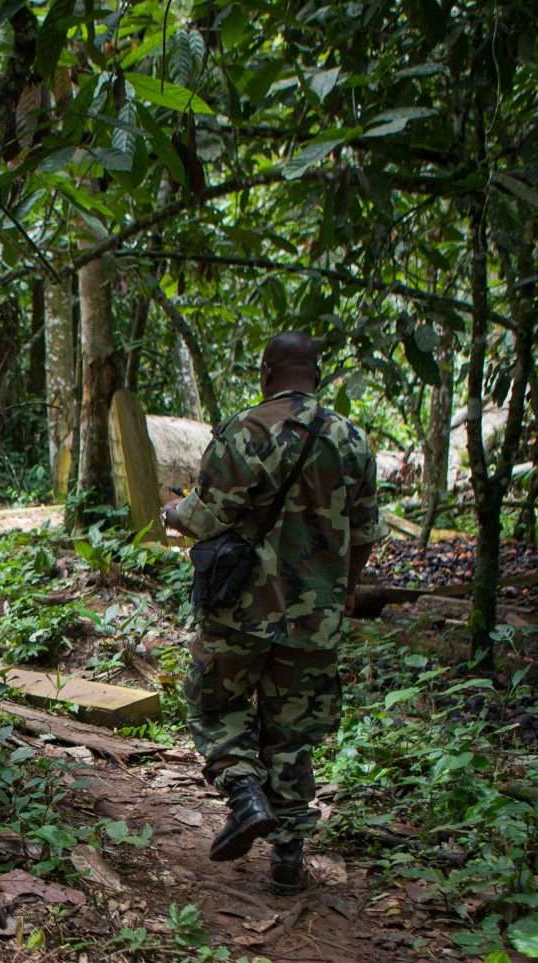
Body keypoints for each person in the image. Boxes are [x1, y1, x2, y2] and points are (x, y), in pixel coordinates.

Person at [161, 332, 382, 894]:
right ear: (317, 373)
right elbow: (364, 533)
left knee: (213, 703)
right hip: (315, 619)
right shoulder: (351, 439)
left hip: (241, 610)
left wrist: (173, 511)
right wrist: (346, 592)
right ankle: (287, 856)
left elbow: (206, 517)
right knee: (291, 734)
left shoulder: (245, 431)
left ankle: (243, 792)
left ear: (266, 373)